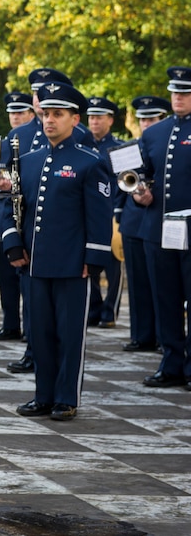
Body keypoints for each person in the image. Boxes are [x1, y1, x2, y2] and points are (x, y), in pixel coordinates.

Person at [3, 82, 112, 421]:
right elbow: (15, 207)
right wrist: (13, 244)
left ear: (74, 119)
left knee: (68, 335)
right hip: (35, 263)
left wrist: (93, 260)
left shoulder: (89, 162)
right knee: (41, 333)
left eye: (58, 115)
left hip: (71, 265)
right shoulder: (30, 161)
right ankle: (43, 395)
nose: (49, 120)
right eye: (46, 114)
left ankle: (66, 398)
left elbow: (99, 218)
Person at [132, 66, 191, 389]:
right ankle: (171, 363)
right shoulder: (154, 132)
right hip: (157, 229)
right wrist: (140, 193)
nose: (178, 97)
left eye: (185, 92)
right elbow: (141, 173)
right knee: (164, 298)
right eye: (175, 91)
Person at [119, 96, 169, 353]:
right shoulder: (130, 148)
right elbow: (120, 185)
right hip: (132, 220)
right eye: (143, 119)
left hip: (157, 222)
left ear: (161, 120)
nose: (147, 123)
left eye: (152, 119)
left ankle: (163, 336)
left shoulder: (166, 144)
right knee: (137, 283)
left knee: (160, 284)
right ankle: (141, 334)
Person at [0, 91, 34, 343]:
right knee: (5, 275)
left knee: (26, 277)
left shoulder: (35, 139)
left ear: (31, 113)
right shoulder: (7, 141)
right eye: (12, 113)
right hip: (4, 213)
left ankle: (30, 327)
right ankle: (10, 323)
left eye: (20, 112)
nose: (15, 117)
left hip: (26, 212)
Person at [82, 96, 123, 328]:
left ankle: (110, 312)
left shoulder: (117, 146)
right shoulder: (84, 145)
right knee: (91, 264)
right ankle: (94, 308)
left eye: (99, 117)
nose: (94, 121)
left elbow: (126, 181)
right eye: (92, 117)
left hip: (113, 212)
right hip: (90, 214)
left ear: (110, 120)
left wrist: (117, 212)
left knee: (114, 266)